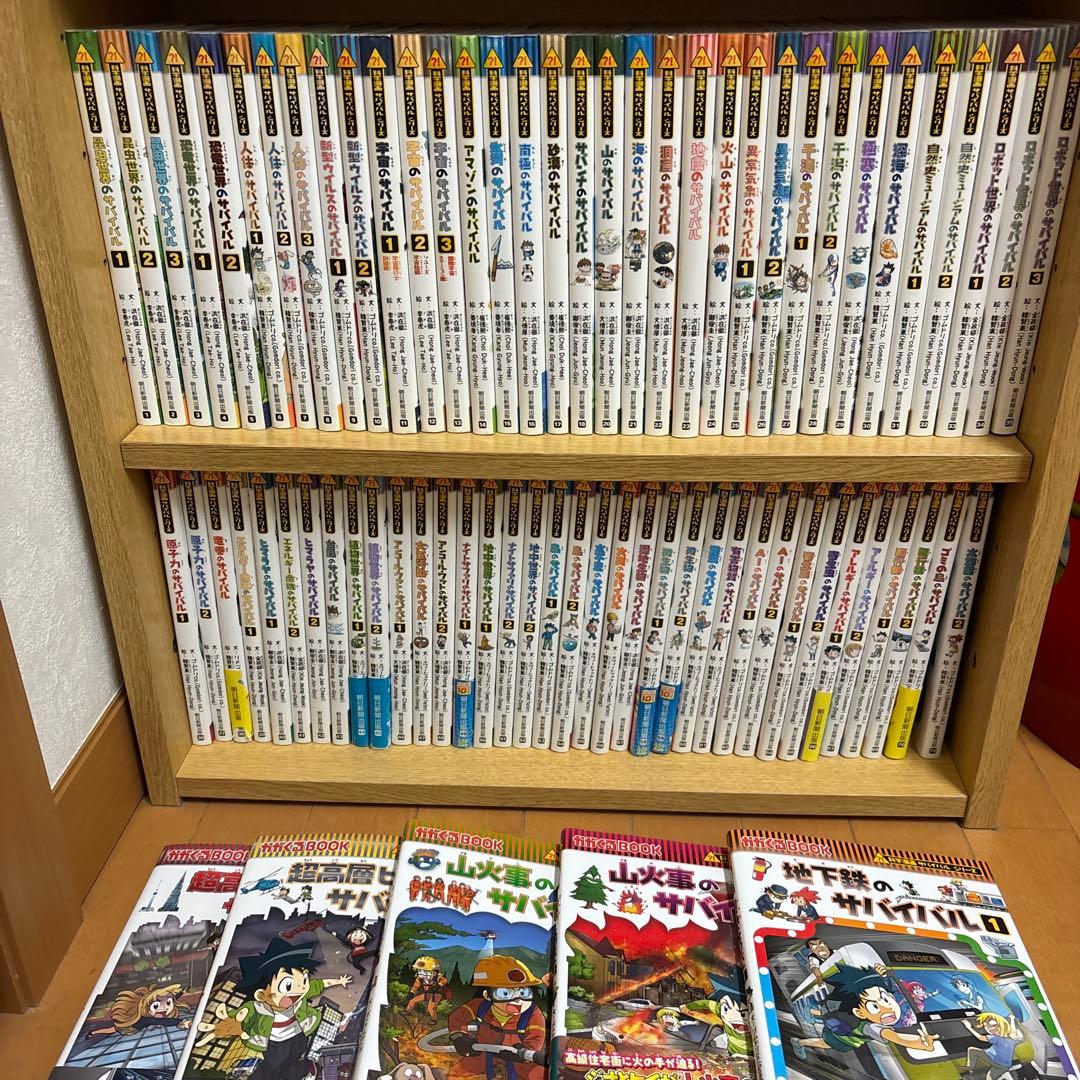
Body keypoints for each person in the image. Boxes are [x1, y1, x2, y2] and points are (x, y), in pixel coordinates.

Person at [197, 936, 352, 1080]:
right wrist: (228, 1025)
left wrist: (338, 981)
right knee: (273, 1069)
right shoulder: (257, 1007)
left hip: (298, 1037)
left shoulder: (301, 994)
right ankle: (304, 1067)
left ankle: (303, 1067)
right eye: (288, 985)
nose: (298, 991)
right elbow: (241, 1014)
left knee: (279, 1067)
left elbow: (320, 984)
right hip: (274, 1043)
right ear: (261, 994)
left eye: (303, 981)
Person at [791, 965, 938, 1060]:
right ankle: (799, 1041)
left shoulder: (870, 1020)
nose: (887, 1008)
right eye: (874, 1006)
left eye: (885, 999)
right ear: (859, 1012)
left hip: (843, 1033)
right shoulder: (871, 1026)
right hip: (841, 1038)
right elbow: (894, 1036)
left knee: (824, 1042)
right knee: (824, 1043)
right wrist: (917, 1044)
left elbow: (896, 1034)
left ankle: (803, 1034)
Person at [448, 955, 547, 1080]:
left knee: (541, 1075)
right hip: (484, 1052)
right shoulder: (480, 1006)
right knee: (455, 1074)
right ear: (487, 995)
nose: (518, 1000)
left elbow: (536, 1038)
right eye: (505, 993)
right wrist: (459, 1037)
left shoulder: (533, 1013)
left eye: (524, 992)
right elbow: (458, 1016)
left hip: (517, 1057)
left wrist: (524, 1052)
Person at [85, 983, 192, 1038]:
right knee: (111, 1029)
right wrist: (181, 1023)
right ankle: (93, 1032)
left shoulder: (146, 1014)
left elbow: (171, 1000)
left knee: (111, 1029)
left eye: (168, 1003)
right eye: (156, 1006)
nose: (165, 1008)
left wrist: (182, 992)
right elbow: (162, 1021)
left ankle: (93, 1032)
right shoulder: (146, 1019)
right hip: (128, 1029)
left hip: (129, 1025)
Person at [962, 1013, 1026, 1080]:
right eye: (986, 1026)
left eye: (993, 1025)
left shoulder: (996, 1038)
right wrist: (1012, 1019)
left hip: (993, 1059)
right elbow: (1012, 1029)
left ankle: (970, 1068)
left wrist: (969, 1027)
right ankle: (970, 1068)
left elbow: (980, 1037)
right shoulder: (1012, 1038)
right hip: (1005, 1066)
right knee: (989, 1078)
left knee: (972, 1050)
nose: (989, 1028)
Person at [407, 956, 451, 1020]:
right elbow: (416, 985)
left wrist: (438, 986)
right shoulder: (420, 978)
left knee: (431, 1007)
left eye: (426, 971)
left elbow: (444, 980)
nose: (422, 974)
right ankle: (407, 1011)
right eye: (420, 971)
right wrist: (412, 992)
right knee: (413, 1000)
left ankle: (434, 1019)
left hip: (436, 994)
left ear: (434, 972)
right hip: (428, 993)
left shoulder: (437, 977)